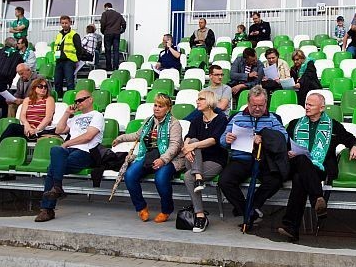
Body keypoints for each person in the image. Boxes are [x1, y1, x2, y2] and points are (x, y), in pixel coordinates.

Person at [277, 93, 356, 242]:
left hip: (319, 169)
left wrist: (355, 146)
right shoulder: (294, 124)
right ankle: (317, 198)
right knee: (301, 160)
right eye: (306, 104)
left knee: (299, 179)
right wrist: (287, 152)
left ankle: (291, 228)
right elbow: (283, 144)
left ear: (321, 108)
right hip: (294, 164)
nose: (306, 107)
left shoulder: (333, 125)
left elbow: (350, 138)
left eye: (311, 105)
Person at [218, 85, 287, 222]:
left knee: (275, 181)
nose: (257, 109)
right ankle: (247, 210)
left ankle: (252, 206)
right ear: (248, 103)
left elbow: (284, 138)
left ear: (266, 103)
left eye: (260, 106)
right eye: (254, 105)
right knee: (224, 181)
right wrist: (227, 139)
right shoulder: (237, 117)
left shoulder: (273, 119)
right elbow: (221, 141)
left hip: (264, 160)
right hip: (241, 159)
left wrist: (265, 138)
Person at [35, 90, 104, 222]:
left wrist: (67, 143)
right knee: (56, 149)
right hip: (71, 150)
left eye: (81, 100)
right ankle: (57, 187)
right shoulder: (75, 118)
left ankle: (47, 209)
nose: (78, 103)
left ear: (90, 99)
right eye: (76, 101)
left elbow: (89, 136)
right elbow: (59, 130)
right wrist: (67, 113)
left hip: (86, 152)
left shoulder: (97, 116)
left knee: (52, 168)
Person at [113, 93, 183, 223]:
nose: (156, 108)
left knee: (161, 178)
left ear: (168, 108)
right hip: (149, 156)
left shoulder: (174, 124)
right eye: (155, 105)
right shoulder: (149, 121)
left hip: (170, 158)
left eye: (160, 106)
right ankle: (141, 207)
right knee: (129, 176)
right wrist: (120, 138)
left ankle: (166, 210)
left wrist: (163, 160)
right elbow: (137, 135)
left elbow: (175, 146)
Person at [182, 90, 228, 232]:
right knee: (193, 139)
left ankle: (200, 216)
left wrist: (192, 146)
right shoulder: (196, 120)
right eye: (198, 99)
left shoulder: (221, 119)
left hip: (214, 160)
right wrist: (187, 148)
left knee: (188, 176)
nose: (197, 101)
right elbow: (188, 137)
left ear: (209, 102)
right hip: (194, 159)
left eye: (201, 99)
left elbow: (214, 140)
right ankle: (199, 178)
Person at [0, 77, 55, 154]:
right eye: (40, 86)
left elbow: (48, 118)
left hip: (42, 129)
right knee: (12, 127)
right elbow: (22, 116)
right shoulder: (27, 100)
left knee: (14, 129)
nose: (43, 89)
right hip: (28, 129)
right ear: (34, 88)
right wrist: (27, 126)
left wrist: (37, 129)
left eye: (45, 87)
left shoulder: (49, 99)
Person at [53, 15, 81, 98]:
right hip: (59, 60)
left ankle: (70, 99)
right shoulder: (59, 35)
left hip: (69, 61)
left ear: (70, 23)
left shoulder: (74, 34)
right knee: (57, 82)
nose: (64, 25)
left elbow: (79, 49)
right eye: (62, 23)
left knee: (69, 82)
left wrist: (76, 60)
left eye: (66, 23)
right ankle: (59, 99)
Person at [100, 2, 126, 71]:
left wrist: (103, 31)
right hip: (116, 34)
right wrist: (121, 30)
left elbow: (103, 23)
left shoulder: (105, 14)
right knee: (116, 51)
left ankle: (108, 67)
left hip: (107, 33)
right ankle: (116, 67)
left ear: (106, 7)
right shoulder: (118, 14)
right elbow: (124, 23)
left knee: (108, 51)